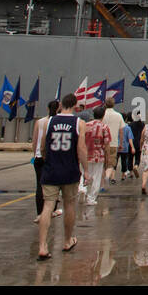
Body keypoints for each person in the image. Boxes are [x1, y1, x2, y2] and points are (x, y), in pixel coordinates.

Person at [37, 93, 86, 260]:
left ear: (61, 106)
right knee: (70, 205)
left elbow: (43, 145)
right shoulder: (79, 123)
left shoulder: (49, 121)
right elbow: (81, 150)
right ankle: (67, 240)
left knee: (48, 207)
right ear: (75, 106)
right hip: (70, 170)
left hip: (51, 169)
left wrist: (46, 159)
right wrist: (86, 170)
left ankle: (43, 246)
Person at [32, 99, 62, 224]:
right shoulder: (58, 122)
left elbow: (34, 141)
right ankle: (52, 210)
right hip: (53, 158)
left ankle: (39, 213)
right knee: (54, 186)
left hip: (39, 157)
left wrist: (36, 154)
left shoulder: (39, 122)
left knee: (39, 185)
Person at [83, 105, 110, 205]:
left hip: (86, 154)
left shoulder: (86, 125)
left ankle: (83, 189)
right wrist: (107, 157)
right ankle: (91, 198)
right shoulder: (104, 127)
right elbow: (107, 143)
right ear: (103, 115)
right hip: (99, 155)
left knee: (85, 173)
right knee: (97, 177)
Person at [102, 95, 124, 182]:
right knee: (111, 164)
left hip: (103, 143)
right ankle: (107, 176)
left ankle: (102, 183)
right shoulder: (118, 116)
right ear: (114, 104)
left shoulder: (102, 115)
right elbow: (121, 131)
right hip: (113, 143)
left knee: (103, 163)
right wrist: (121, 143)